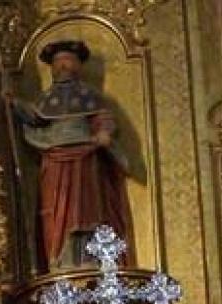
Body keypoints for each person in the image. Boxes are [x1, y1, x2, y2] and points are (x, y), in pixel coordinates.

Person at [14, 39, 133, 271]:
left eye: (68, 60)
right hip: (55, 161)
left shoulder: (90, 96)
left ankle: (91, 259)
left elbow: (103, 119)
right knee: (57, 212)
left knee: (87, 210)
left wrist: (103, 133)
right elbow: (34, 115)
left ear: (78, 65)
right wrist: (13, 101)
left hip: (85, 160)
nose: (63, 66)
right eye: (58, 62)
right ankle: (59, 259)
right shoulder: (45, 99)